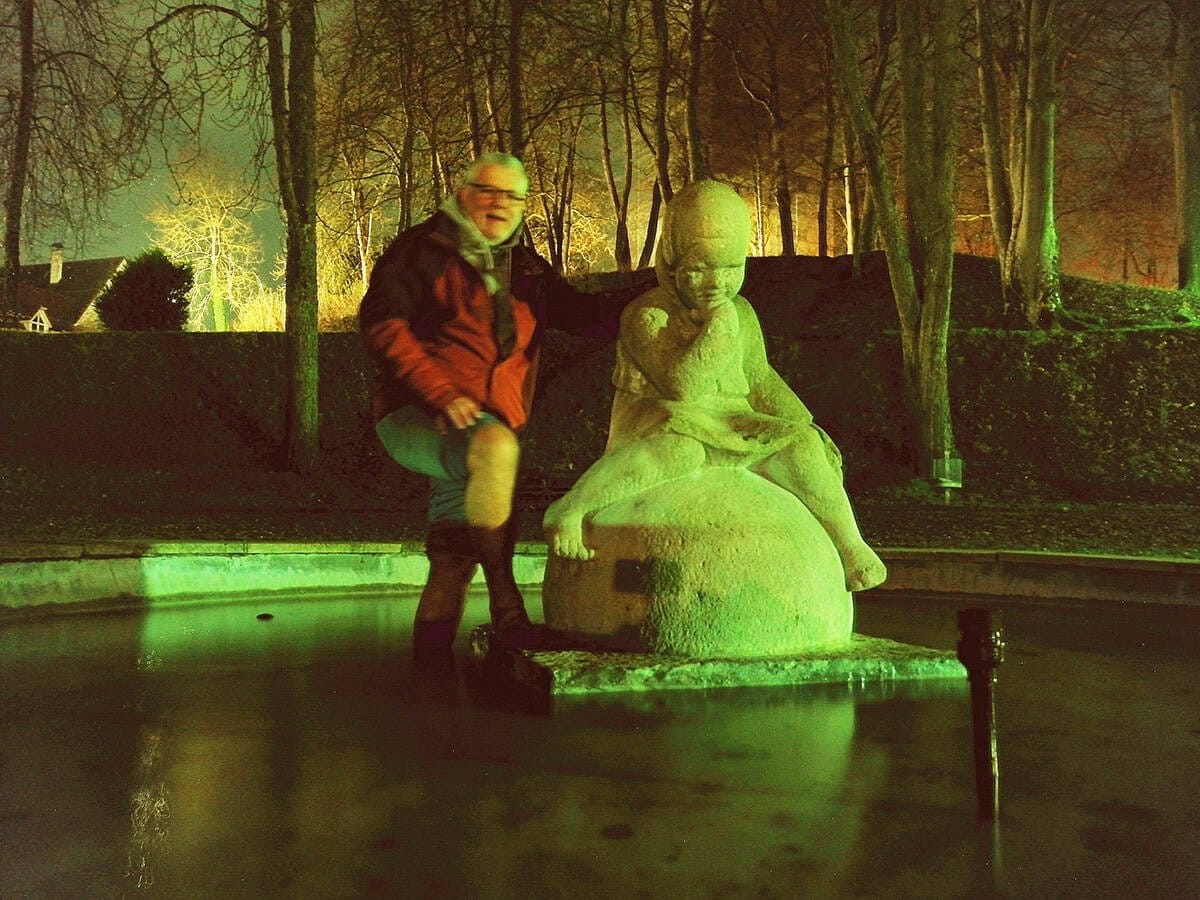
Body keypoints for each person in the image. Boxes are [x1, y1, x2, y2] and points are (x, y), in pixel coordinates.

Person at [543, 180, 887, 592]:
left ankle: (850, 545)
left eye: (730, 268)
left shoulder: (742, 312)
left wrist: (803, 423)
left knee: (802, 447)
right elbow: (682, 387)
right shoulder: (647, 315)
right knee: (680, 452)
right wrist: (719, 328)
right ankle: (572, 508)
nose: (716, 282)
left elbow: (759, 376)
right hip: (663, 418)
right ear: (672, 265)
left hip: (731, 418)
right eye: (700, 268)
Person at [359, 152, 633, 662]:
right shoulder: (421, 251)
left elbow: (585, 315)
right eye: (489, 191)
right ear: (463, 194)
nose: (500, 204)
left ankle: (429, 680)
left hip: (481, 432)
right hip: (417, 415)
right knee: (496, 445)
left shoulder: (524, 268)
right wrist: (440, 393)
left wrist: (661, 290)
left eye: (513, 196)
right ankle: (508, 604)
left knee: (453, 560)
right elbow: (382, 324)